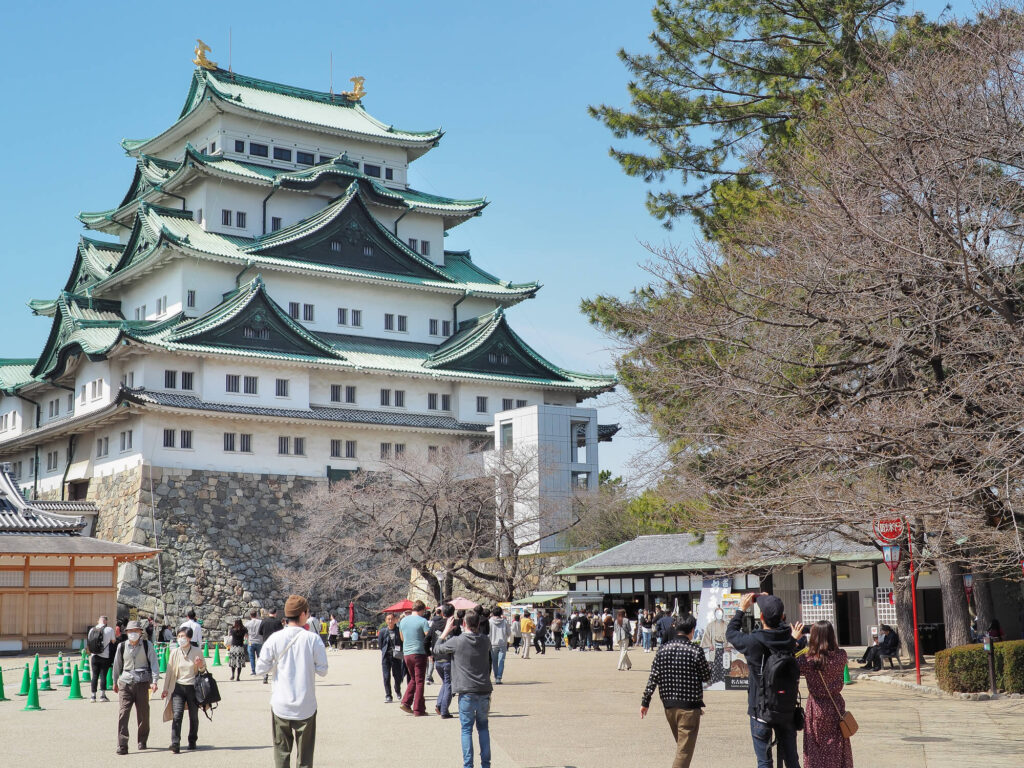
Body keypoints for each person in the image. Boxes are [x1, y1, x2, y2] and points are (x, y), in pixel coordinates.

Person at [726, 593, 805, 768]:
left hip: (760, 708)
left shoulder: (753, 641)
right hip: (786, 709)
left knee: (764, 761)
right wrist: (772, 606)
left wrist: (741, 609)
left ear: (761, 616)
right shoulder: (792, 638)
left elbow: (730, 633)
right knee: (792, 761)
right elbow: (792, 638)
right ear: (782, 617)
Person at [256, 594, 329, 768]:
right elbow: (323, 670)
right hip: (306, 704)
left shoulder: (274, 639)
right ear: (303, 614)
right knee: (305, 758)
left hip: (281, 703)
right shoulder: (312, 639)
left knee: (281, 754)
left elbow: (260, 669)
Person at [641, 614, 711, 768]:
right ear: (692, 630)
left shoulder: (662, 649)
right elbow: (707, 676)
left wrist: (645, 701)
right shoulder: (695, 650)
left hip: (669, 706)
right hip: (689, 707)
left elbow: (653, 676)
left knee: (682, 746)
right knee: (684, 751)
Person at [435, 609, 493, 768]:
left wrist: (445, 631)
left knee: (467, 730)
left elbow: (437, 649)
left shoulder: (457, 641)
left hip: (466, 690)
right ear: (479, 624)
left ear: (464, 623)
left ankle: (468, 764)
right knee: (483, 728)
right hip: (484, 689)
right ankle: (486, 764)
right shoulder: (485, 641)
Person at [795, 620, 853, 768]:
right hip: (836, 704)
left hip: (816, 707)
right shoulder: (841, 656)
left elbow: (789, 664)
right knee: (837, 744)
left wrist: (795, 639)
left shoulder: (808, 660)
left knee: (815, 747)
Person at [112, 620, 160, 755]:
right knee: (123, 713)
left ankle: (142, 740)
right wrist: (114, 681)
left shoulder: (146, 645)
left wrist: (154, 681)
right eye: (130, 631)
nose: (133, 634)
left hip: (142, 682)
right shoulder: (122, 646)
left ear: (140, 632)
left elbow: (154, 663)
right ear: (126, 633)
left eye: (135, 631)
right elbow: (117, 664)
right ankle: (122, 744)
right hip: (125, 682)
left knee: (143, 713)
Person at [161, 626, 207, 753]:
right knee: (177, 715)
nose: (181, 639)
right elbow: (169, 672)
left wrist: (200, 665)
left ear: (189, 638)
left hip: (193, 687)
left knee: (193, 716)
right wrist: (165, 689)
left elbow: (203, 670)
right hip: (178, 688)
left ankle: (192, 740)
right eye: (179, 636)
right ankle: (175, 742)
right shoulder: (175, 652)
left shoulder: (197, 651)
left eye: (183, 637)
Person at [398, 600, 431, 716]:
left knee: (413, 678)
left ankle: (406, 702)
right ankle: (418, 709)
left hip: (407, 653)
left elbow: (402, 638)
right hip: (419, 652)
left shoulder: (403, 621)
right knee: (420, 680)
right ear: (422, 610)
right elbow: (428, 637)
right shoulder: (423, 621)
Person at [432, 604, 459, 718]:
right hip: (449, 658)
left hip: (438, 658)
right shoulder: (455, 625)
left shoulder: (434, 625)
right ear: (453, 613)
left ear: (442, 613)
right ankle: (444, 710)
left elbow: (427, 639)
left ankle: (439, 705)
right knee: (449, 684)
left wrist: (430, 654)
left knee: (445, 683)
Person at [88, 614, 117, 702]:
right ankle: (102, 696)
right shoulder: (109, 629)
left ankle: (93, 696)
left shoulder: (92, 629)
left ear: (98, 621)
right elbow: (113, 641)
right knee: (103, 675)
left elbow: (89, 641)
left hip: (94, 656)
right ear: (106, 621)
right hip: (105, 656)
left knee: (94, 676)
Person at [378, 612, 404, 703]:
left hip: (396, 656)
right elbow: (380, 644)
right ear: (386, 620)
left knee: (397, 676)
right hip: (386, 656)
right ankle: (388, 695)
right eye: (388, 619)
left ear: (395, 620)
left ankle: (397, 689)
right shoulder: (383, 631)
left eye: (391, 619)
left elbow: (402, 642)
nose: (390, 621)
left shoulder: (399, 630)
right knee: (386, 676)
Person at [700, 606, 729, 683]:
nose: (719, 615)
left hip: (724, 647)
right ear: (715, 614)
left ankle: (724, 679)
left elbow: (731, 636)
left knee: (724, 663)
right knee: (714, 664)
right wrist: (709, 645)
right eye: (717, 613)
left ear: (722, 614)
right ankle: (714, 679)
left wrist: (729, 646)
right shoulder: (710, 625)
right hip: (714, 647)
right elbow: (706, 636)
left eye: (720, 613)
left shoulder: (727, 625)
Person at [260, 608, 285, 684]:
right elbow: (281, 632)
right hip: (276, 643)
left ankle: (265, 676)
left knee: (266, 659)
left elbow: (260, 632)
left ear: (269, 613)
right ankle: (277, 676)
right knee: (277, 660)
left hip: (266, 642)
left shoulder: (264, 621)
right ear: (275, 613)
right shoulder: (277, 622)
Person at [488, 606, 510, 683]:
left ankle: (496, 676)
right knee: (501, 661)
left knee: (494, 661)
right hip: (502, 643)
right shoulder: (505, 621)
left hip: (493, 643)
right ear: (501, 613)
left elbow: (488, 633)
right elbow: (509, 633)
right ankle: (499, 677)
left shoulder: (490, 621)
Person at [246, 609, 264, 676]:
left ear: (250, 615)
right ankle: (260, 670)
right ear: (256, 615)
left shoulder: (247, 623)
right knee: (260, 657)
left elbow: (246, 633)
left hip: (251, 641)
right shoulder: (261, 622)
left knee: (252, 657)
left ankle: (253, 671)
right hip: (259, 641)